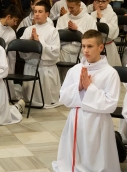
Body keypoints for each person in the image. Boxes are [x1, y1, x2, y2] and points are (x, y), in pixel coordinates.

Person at [52, 29, 121, 172]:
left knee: (95, 157)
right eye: (83, 46)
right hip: (76, 118)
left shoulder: (110, 73)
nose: (85, 50)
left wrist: (89, 88)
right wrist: (77, 87)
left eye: (90, 46)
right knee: (75, 155)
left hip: (97, 121)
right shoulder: (75, 69)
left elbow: (111, 104)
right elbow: (63, 96)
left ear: (101, 47)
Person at [20, 1, 61, 108]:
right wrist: (30, 42)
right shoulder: (28, 29)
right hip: (30, 66)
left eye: (40, 12)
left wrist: (39, 42)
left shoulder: (53, 31)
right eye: (35, 11)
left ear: (47, 14)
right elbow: (21, 48)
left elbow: (55, 51)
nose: (37, 14)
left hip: (45, 67)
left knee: (46, 100)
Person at [56, 0, 97, 65]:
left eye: (72, 7)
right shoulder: (62, 19)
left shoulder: (89, 19)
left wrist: (77, 29)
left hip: (82, 54)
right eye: (68, 7)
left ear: (79, 5)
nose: (69, 10)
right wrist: (67, 31)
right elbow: (56, 37)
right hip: (64, 53)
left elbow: (93, 38)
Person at [0, 5, 22, 103]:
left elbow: (12, 55)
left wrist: (10, 70)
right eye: (14, 20)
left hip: (5, 60)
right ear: (8, 17)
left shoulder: (12, 32)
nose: (15, 24)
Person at [91, 0, 120, 66]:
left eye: (103, 1)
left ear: (108, 1)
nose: (100, 4)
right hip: (95, 46)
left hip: (108, 46)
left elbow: (112, 32)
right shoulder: (92, 14)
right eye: (98, 1)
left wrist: (101, 18)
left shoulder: (112, 15)